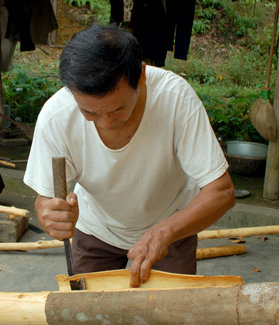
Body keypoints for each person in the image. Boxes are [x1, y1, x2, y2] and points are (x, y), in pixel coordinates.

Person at [23, 25, 235, 287]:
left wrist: (164, 232)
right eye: (90, 113)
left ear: (142, 76)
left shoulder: (175, 99)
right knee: (86, 311)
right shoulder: (57, 117)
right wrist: (47, 212)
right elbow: (44, 197)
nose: (106, 123)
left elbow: (221, 191)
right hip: (95, 229)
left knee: (172, 312)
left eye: (118, 108)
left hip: (171, 226)